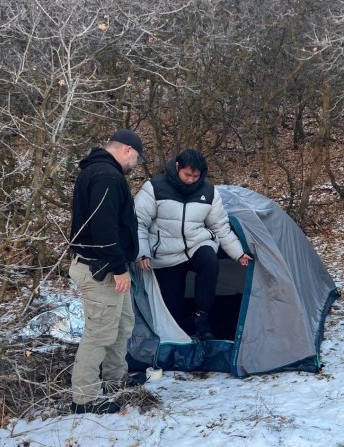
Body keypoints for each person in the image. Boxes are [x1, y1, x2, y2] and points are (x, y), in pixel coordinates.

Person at [134, 149, 252, 340]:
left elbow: (220, 226)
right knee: (172, 307)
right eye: (187, 175)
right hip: (166, 252)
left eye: (195, 176)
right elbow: (138, 222)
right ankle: (179, 332)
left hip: (196, 244)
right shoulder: (154, 188)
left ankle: (201, 318)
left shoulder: (208, 191)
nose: (191, 180)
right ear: (177, 167)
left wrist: (238, 253)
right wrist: (143, 253)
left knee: (209, 260)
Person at [67, 128, 145, 414]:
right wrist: (118, 267)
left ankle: (115, 379)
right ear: (127, 150)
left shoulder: (100, 172)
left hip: (111, 268)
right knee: (99, 333)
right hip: (101, 271)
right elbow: (104, 228)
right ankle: (83, 399)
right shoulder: (107, 177)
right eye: (136, 158)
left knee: (123, 324)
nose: (135, 164)